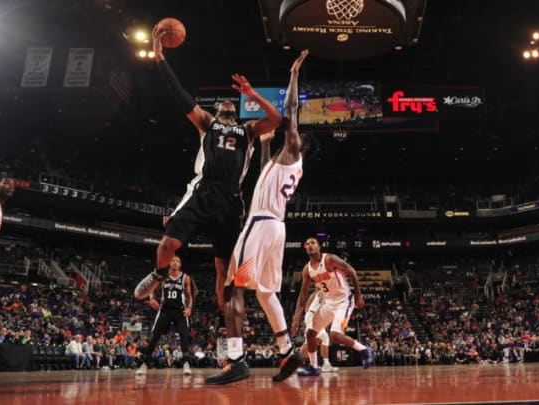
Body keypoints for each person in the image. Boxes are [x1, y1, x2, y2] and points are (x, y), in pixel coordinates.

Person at [133, 25, 283, 312]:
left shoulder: (248, 130)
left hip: (229, 199)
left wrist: (252, 94)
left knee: (225, 269)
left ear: (235, 111)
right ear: (216, 111)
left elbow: (276, 119)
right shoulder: (206, 123)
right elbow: (177, 93)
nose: (226, 103)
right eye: (223, 103)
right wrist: (158, 54)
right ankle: (160, 274)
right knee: (166, 246)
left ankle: (228, 326)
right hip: (203, 191)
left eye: (230, 102)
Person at [205, 50, 309, 385]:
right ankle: (287, 351)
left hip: (261, 225)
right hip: (276, 229)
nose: (284, 137)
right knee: (266, 294)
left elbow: (290, 111)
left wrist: (293, 74)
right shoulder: (280, 163)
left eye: (290, 136)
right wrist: (263, 142)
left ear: (298, 143)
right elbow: (265, 161)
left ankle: (235, 359)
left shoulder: (293, 150)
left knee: (234, 287)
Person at [291, 237, 374, 376]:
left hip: (343, 301)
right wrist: (296, 317)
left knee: (334, 335)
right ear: (305, 248)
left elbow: (351, 271)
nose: (310, 245)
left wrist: (358, 295)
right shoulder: (307, 270)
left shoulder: (329, 259)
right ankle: (314, 367)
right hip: (328, 303)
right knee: (310, 334)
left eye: (313, 243)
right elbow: (302, 296)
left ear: (319, 247)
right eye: (307, 244)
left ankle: (364, 350)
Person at [136, 255, 194, 376]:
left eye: (177, 261)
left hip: (180, 311)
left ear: (180, 264)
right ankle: (144, 364)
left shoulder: (185, 277)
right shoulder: (163, 276)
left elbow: (189, 295)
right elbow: (152, 288)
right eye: (172, 260)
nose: (174, 263)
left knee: (184, 337)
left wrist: (189, 308)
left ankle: (186, 364)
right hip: (165, 310)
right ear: (169, 263)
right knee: (154, 337)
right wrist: (152, 298)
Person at [299, 291, 339, 373]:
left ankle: (325, 364)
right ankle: (297, 364)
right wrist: (310, 316)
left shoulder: (325, 294)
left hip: (315, 316)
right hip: (313, 316)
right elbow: (307, 308)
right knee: (314, 340)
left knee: (324, 338)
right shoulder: (320, 293)